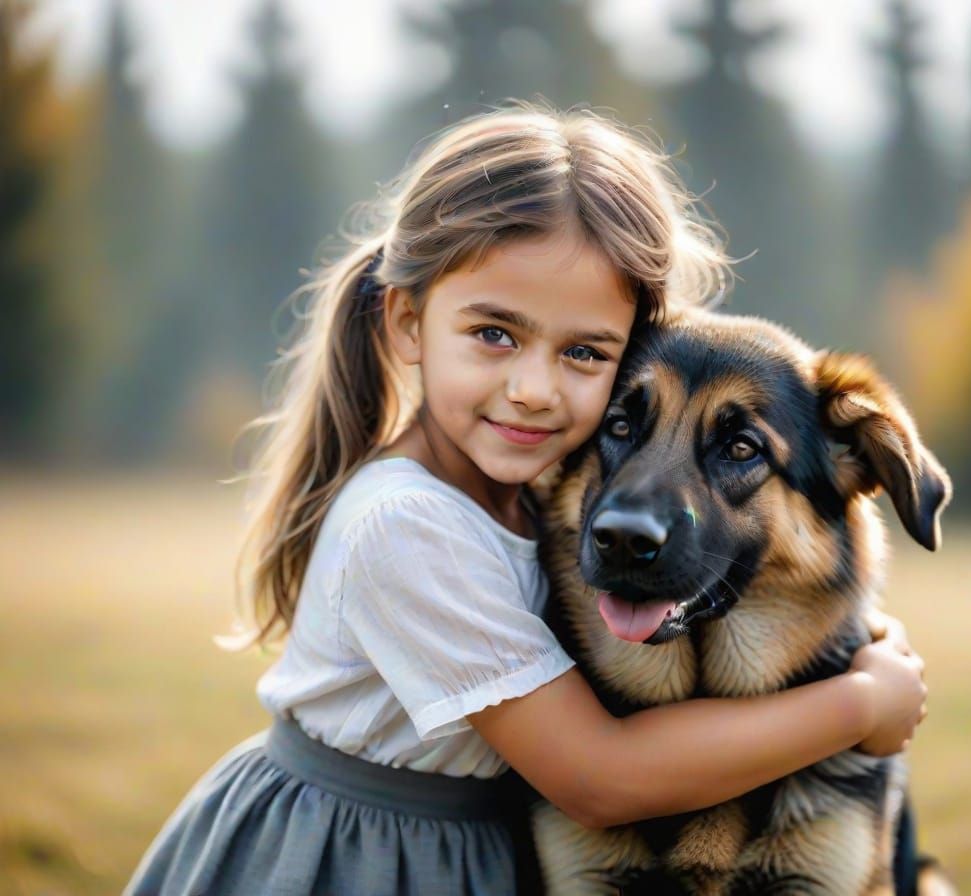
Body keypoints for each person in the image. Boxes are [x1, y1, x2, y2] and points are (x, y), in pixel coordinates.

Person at [127, 101, 928, 896]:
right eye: (495, 334)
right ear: (408, 322)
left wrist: (854, 644)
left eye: (583, 352)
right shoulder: (407, 524)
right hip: (345, 865)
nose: (535, 390)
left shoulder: (529, 497)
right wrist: (861, 704)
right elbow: (598, 777)